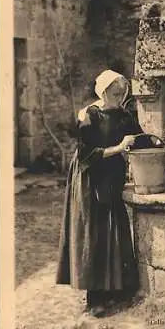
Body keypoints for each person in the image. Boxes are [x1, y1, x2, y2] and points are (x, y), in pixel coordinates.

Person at [56, 69, 145, 316]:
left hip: (112, 177)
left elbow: (140, 139)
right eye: (115, 93)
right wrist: (120, 147)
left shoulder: (124, 115)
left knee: (113, 229)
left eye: (122, 93)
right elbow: (87, 154)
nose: (119, 97)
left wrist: (157, 141)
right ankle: (94, 297)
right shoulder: (89, 115)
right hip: (90, 178)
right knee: (93, 232)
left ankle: (116, 290)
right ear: (103, 91)